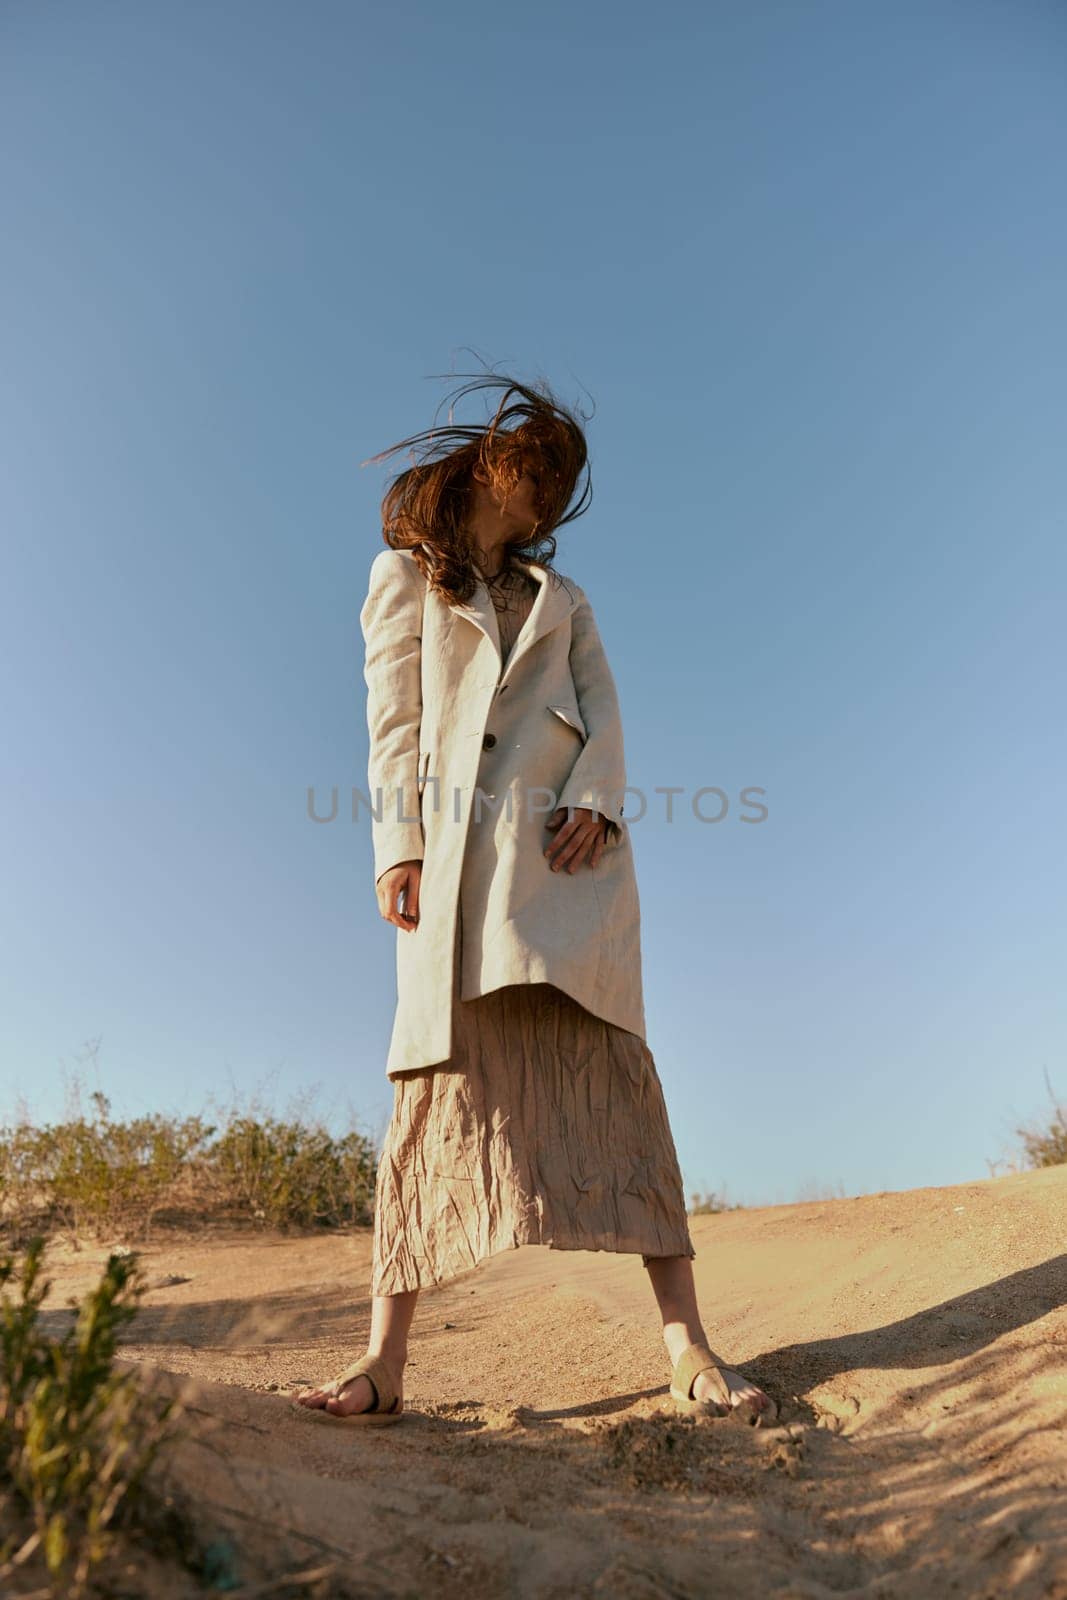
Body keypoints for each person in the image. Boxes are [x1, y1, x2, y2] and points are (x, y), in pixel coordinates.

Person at [294, 374, 777, 1428]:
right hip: (460, 874)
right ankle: (385, 1359)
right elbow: (393, 719)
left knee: (612, 1077)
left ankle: (684, 1345)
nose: (551, 499)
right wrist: (397, 847)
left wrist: (599, 802)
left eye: (565, 486)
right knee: (434, 1093)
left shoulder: (568, 603)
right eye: (541, 471)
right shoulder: (402, 579)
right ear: (493, 460)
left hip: (563, 873)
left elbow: (604, 710)